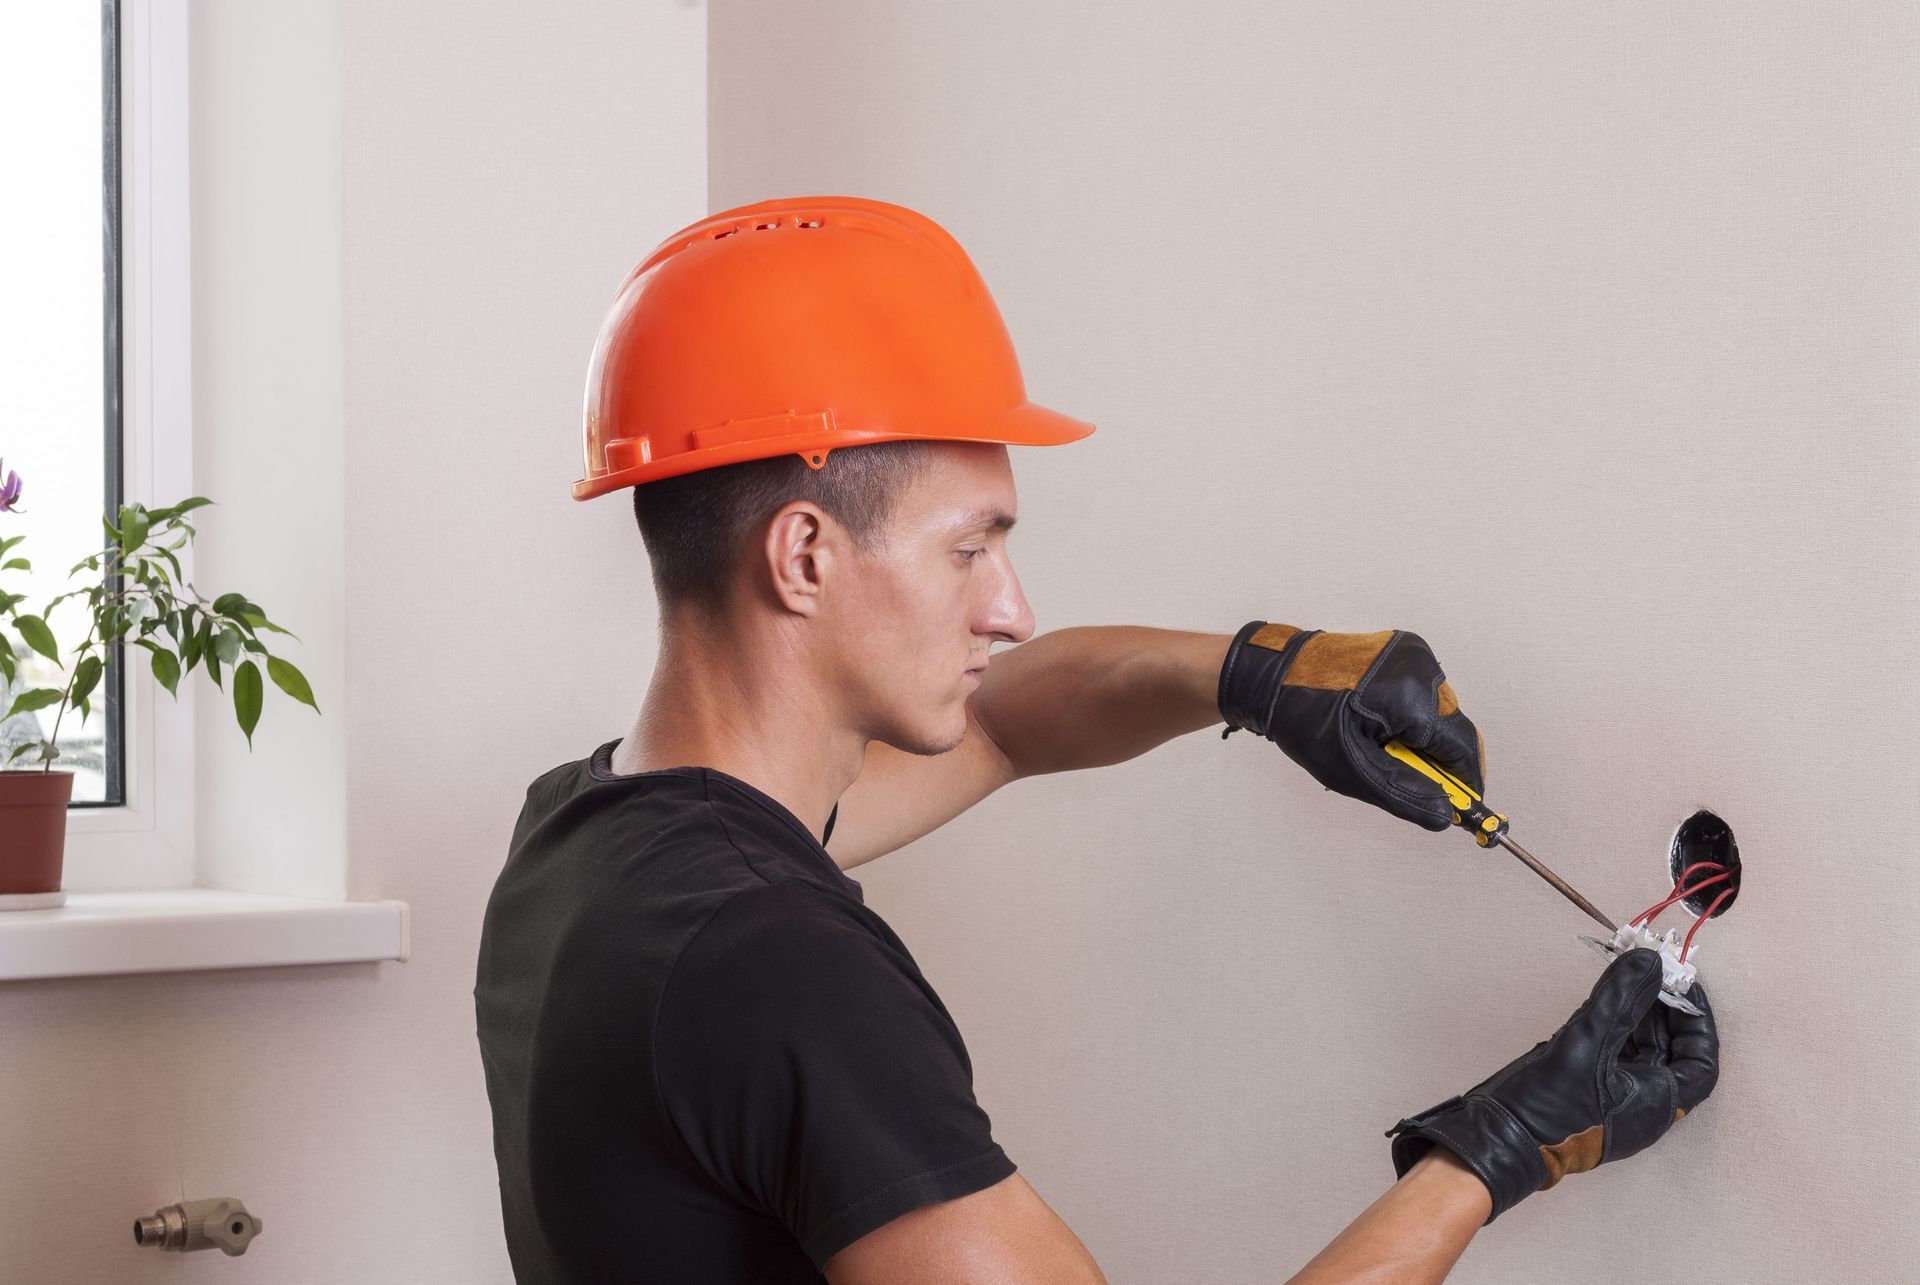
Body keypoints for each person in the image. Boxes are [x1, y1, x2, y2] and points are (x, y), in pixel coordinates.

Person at [473, 196, 1720, 1284]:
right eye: (970, 547)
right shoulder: (778, 963)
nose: (1010, 608)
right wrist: (1492, 1153)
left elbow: (1008, 723)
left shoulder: (586, 838)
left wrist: (1257, 674)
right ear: (802, 553)